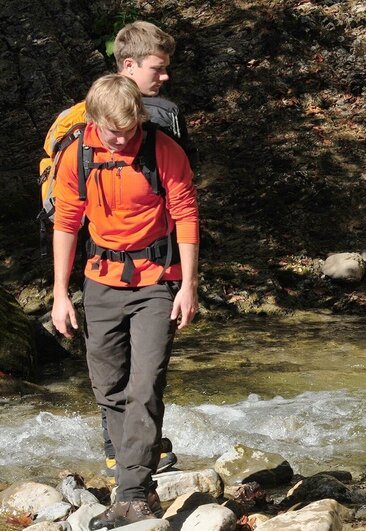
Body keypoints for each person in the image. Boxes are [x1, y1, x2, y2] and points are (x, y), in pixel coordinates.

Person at [40, 20, 192, 479]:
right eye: (156, 68)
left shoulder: (160, 135)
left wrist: (188, 283)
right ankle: (126, 455)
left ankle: (132, 479)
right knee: (110, 381)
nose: (163, 77)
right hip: (101, 272)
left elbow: (185, 207)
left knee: (144, 383)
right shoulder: (79, 147)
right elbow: (66, 219)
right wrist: (60, 293)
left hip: (156, 274)